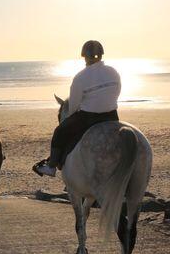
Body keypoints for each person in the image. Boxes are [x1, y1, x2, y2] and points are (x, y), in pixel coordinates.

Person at [33, 40, 121, 177]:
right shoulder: (113, 71)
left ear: (84, 57)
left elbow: (73, 106)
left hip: (89, 118)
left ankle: (51, 167)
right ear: (101, 55)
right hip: (112, 116)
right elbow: (117, 91)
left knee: (59, 132)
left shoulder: (81, 77)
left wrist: (75, 114)